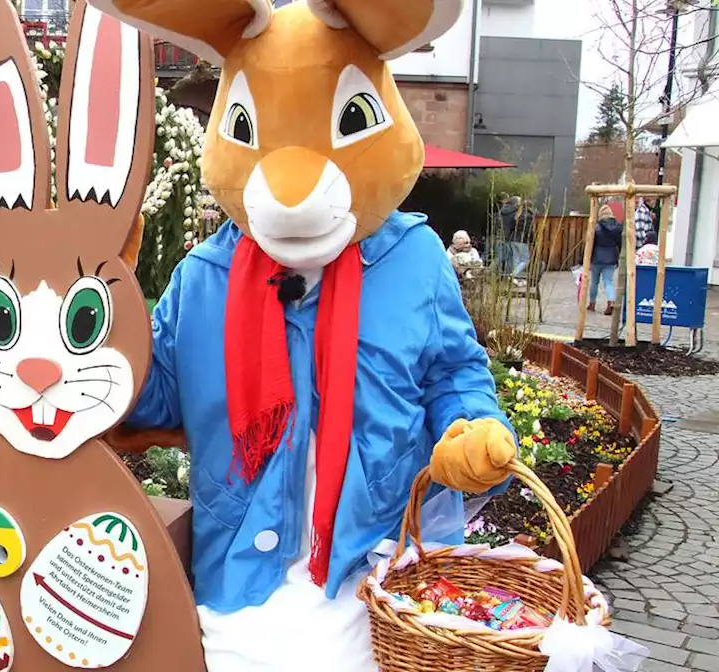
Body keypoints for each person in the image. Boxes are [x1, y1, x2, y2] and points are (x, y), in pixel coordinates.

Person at [96, 0, 518, 669]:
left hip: (377, 578)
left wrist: (472, 432)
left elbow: (453, 373)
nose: (290, 187)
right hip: (241, 590)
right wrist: (93, 327)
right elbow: (153, 397)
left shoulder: (412, 258)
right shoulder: (204, 278)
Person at [589, 203, 623, 315]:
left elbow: (591, 245)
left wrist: (587, 259)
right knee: (608, 281)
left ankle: (592, 304)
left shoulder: (596, 227)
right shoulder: (618, 227)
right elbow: (620, 244)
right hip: (611, 258)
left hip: (596, 258)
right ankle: (611, 302)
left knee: (594, 282)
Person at [510, 198, 535, 281]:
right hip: (521, 240)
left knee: (516, 260)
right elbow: (528, 229)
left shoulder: (517, 214)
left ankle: (515, 280)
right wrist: (533, 241)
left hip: (513, 239)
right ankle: (513, 275)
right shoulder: (529, 216)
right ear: (530, 207)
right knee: (525, 260)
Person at [497, 193, 518, 273]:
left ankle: (494, 272)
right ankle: (507, 274)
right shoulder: (514, 213)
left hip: (500, 235)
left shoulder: (502, 211)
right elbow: (514, 225)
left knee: (501, 256)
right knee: (508, 257)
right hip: (509, 236)